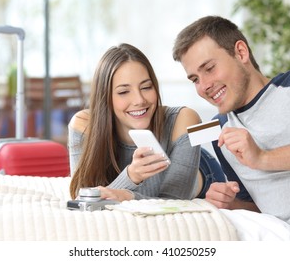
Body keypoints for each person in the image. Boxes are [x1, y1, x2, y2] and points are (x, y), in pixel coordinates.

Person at [172, 15, 290, 241]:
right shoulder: (220, 131)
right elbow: (257, 206)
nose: (204, 86)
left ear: (241, 52)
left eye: (209, 68)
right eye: (195, 79)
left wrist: (263, 158)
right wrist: (232, 203)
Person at [68, 43, 225, 202]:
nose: (139, 100)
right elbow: (81, 197)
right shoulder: (83, 124)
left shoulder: (184, 118)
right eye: (123, 92)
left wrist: (126, 195)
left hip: (199, 170)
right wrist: (131, 176)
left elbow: (173, 200)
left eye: (146, 87)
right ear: (105, 98)